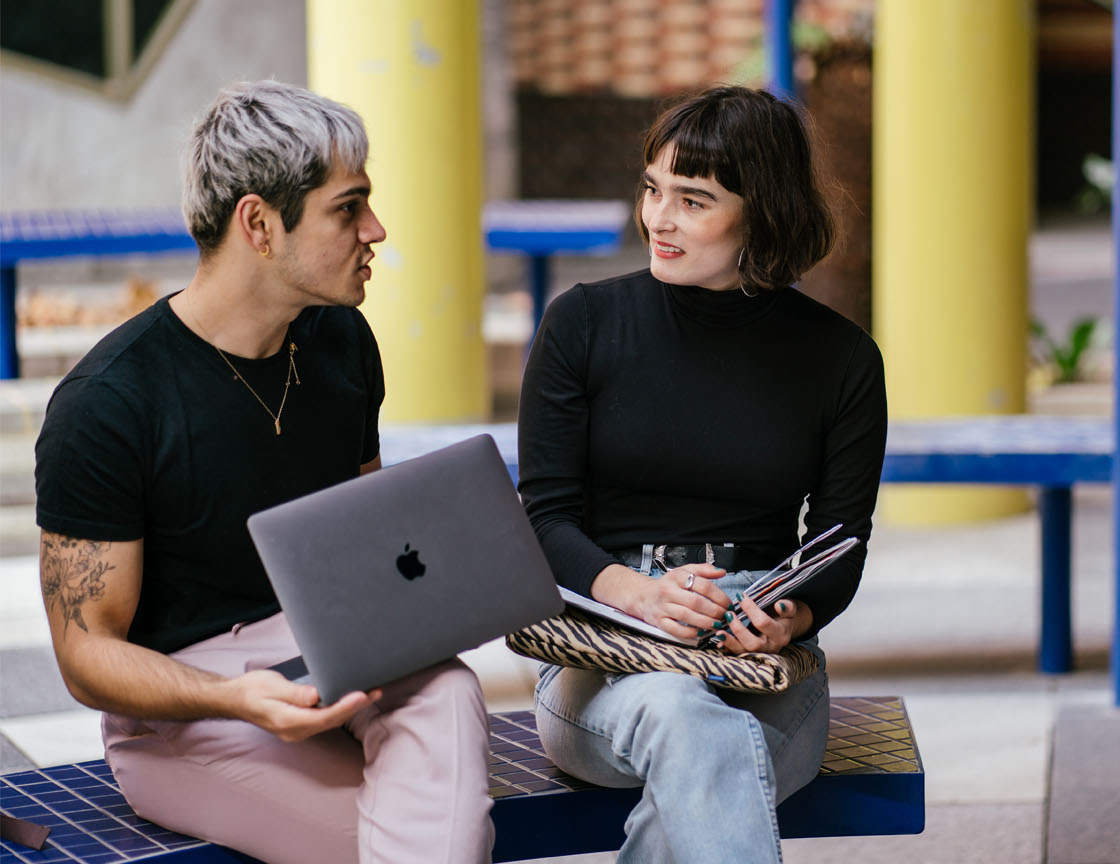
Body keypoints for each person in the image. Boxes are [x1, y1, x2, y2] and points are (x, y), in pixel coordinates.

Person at [33, 80, 493, 864]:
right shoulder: (108, 403)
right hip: (183, 704)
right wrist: (234, 698)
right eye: (348, 208)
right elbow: (87, 656)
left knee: (449, 690)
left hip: (327, 645)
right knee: (411, 838)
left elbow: (371, 541)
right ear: (259, 223)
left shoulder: (342, 343)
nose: (375, 230)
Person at [517, 85, 887, 863]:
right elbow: (541, 518)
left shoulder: (842, 359)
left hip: (760, 658)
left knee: (700, 773)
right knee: (685, 719)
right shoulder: (582, 323)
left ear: (765, 211)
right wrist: (638, 594)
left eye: (694, 200)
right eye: (653, 189)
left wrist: (794, 618)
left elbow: (841, 541)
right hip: (602, 651)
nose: (658, 218)